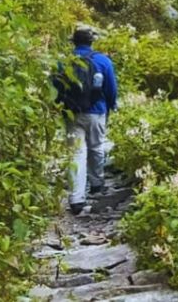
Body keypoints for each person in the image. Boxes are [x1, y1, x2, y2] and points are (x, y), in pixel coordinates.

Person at [55, 25, 118, 215]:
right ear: (91, 42)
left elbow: (57, 87)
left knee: (76, 154)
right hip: (97, 111)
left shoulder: (64, 62)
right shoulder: (103, 60)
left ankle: (76, 199)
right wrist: (111, 105)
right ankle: (97, 185)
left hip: (72, 113)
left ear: (73, 42)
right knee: (97, 147)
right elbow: (111, 89)